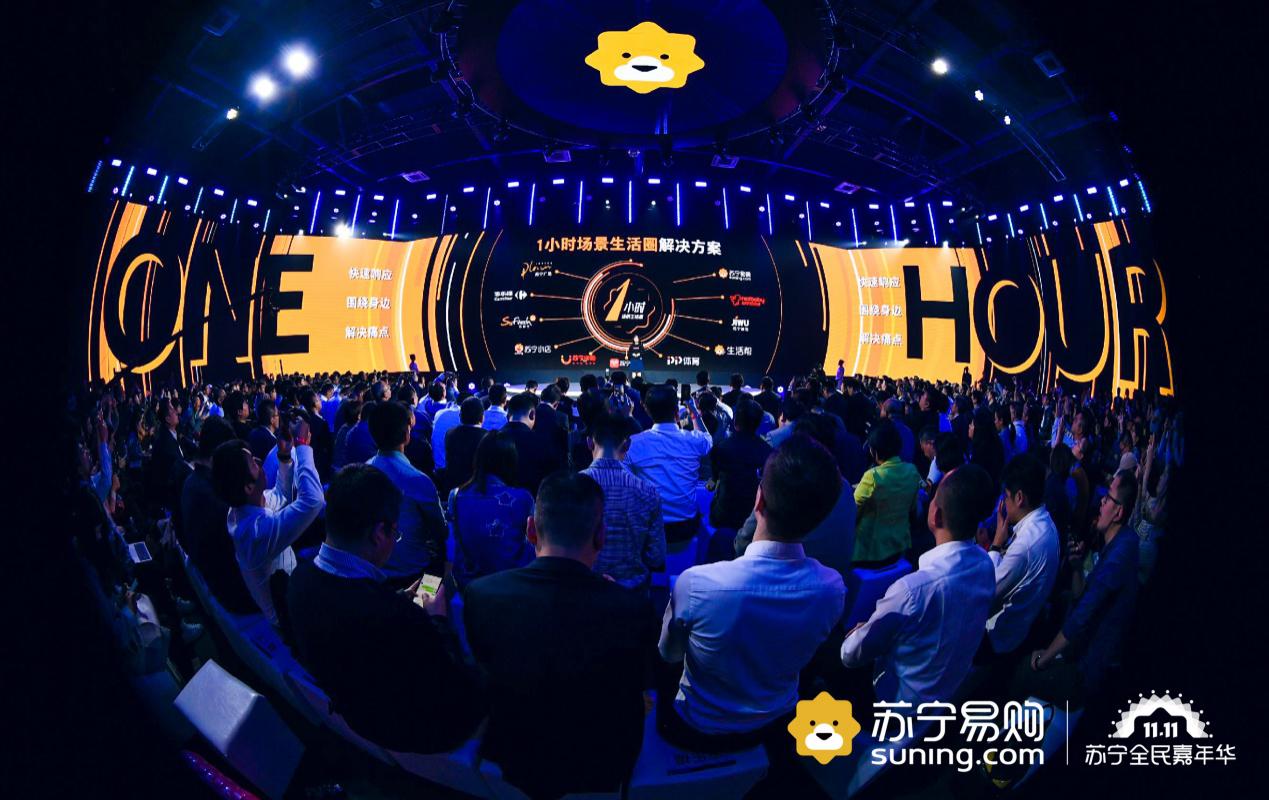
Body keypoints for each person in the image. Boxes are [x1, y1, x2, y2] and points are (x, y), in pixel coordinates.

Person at [463, 471, 652, 798]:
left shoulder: (481, 595)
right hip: (601, 764)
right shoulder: (634, 610)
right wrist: (613, 600)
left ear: (530, 530)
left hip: (517, 756)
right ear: (601, 536)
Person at [658, 436, 845, 751]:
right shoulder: (833, 589)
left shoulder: (696, 584)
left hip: (698, 727)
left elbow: (669, 654)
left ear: (759, 501)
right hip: (776, 724)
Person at [287, 464, 486, 753]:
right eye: (395, 532)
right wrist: (437, 619)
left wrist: (396, 598)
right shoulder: (397, 618)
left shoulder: (298, 579)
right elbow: (449, 684)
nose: (395, 539)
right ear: (379, 533)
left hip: (356, 710)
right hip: (410, 730)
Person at [841, 464, 997, 706]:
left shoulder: (912, 590)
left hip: (899, 705)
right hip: (948, 690)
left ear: (936, 515)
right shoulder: (985, 564)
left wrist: (863, 631)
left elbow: (850, 654)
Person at [1025, 470, 1139, 704]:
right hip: (1080, 651)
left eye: (1108, 498)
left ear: (1118, 512)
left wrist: (1043, 660)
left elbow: (1082, 616)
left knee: (1022, 675)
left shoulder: (1120, 555)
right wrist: (1077, 568)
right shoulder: (1118, 542)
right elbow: (1081, 597)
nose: (1101, 502)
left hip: (1087, 670)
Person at [212, 417, 325, 627]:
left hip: (290, 581)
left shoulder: (243, 507)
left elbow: (280, 496)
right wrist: (302, 445)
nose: (259, 461)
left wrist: (285, 455)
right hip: (289, 615)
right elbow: (313, 501)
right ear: (248, 486)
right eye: (253, 463)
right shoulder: (254, 533)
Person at [733, 414, 857, 576]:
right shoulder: (845, 487)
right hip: (834, 576)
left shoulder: (785, 482)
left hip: (778, 576)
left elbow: (742, 543)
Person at [177, 417, 258, 614]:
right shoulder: (214, 495)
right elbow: (248, 543)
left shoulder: (192, 482)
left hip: (214, 578)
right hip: (233, 592)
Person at [983, 455, 1060, 656]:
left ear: (1019, 498)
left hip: (1000, 638)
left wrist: (995, 545)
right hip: (1026, 625)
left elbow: (987, 593)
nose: (1003, 502)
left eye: (1005, 496)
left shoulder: (1025, 545)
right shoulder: (1046, 523)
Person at [581, 413, 665, 591]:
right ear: (627, 445)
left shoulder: (571, 488)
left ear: (589, 443)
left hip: (584, 590)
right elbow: (656, 557)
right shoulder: (648, 493)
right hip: (633, 592)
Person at [365, 401, 447, 585]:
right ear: (406, 434)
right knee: (439, 563)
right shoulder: (418, 480)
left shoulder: (363, 471)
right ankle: (428, 603)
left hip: (373, 573)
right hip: (415, 572)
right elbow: (440, 531)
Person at [626, 385, 712, 545]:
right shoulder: (694, 440)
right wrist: (694, 412)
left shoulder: (634, 444)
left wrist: (627, 415)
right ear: (677, 411)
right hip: (686, 527)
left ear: (647, 411)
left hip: (650, 528)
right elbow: (707, 439)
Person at [448, 429, 535, 588]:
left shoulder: (455, 496)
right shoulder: (523, 498)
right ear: (511, 461)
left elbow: (452, 547)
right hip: (512, 585)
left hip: (469, 586)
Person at [853, 421, 922, 566]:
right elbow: (912, 508)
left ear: (874, 451)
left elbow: (853, 510)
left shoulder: (872, 476)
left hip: (871, 552)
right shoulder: (912, 471)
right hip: (900, 547)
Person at [707, 398, 772, 530]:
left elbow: (713, 482)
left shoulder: (720, 448)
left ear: (735, 420)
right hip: (753, 516)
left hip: (723, 514)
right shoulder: (768, 452)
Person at [443, 397, 488, 491]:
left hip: (452, 486)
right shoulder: (487, 438)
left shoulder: (450, 434)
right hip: (477, 490)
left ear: (460, 416)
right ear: (482, 417)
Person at [969, 407, 1006, 488]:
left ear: (977, 429)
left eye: (972, 424)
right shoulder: (995, 443)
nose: (969, 426)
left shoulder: (979, 452)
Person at [247, 399, 279, 463]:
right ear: (272, 419)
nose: (279, 417)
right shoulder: (272, 442)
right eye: (277, 414)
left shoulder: (252, 433)